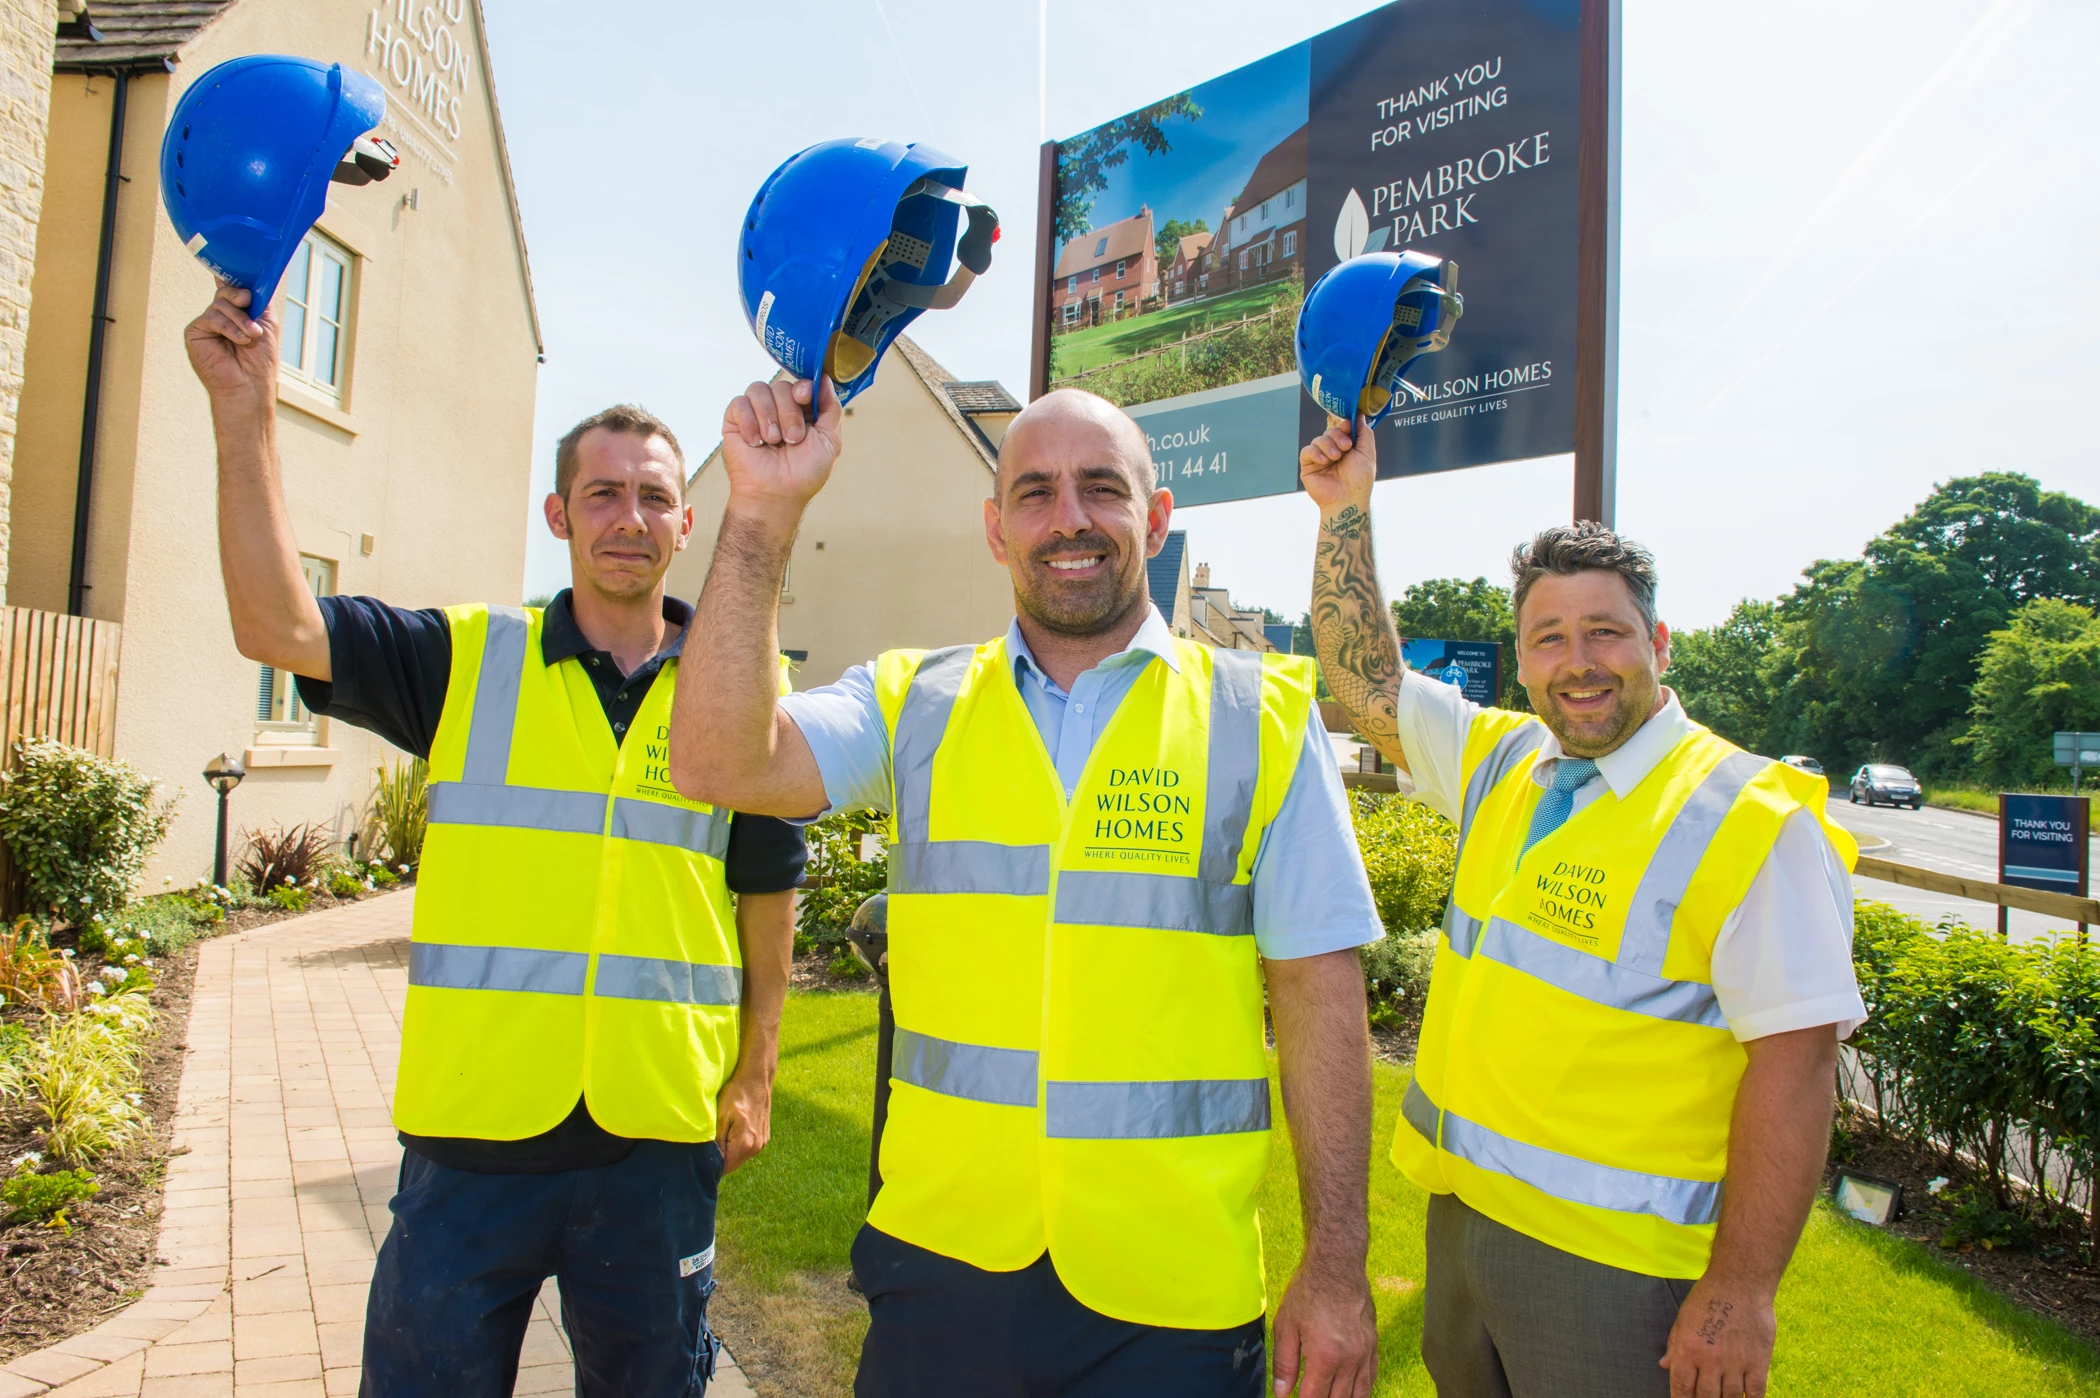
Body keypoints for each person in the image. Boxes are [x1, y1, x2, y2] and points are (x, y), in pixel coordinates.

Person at [669, 376, 1383, 1398]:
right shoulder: (916, 700)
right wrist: (761, 510)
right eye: (1036, 494)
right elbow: (714, 761)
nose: (1071, 519)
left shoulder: (1261, 717)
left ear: (1158, 518)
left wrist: (1336, 1266)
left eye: (1102, 487)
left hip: (1173, 1294)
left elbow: (1324, 997)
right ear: (997, 529)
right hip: (944, 1266)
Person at [185, 282, 806, 1397]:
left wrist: (756, 1065)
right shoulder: (469, 660)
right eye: (602, 495)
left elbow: (766, 878)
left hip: (656, 1134)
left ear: (686, 522)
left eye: (653, 499)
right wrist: (245, 412)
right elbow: (273, 624)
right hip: (474, 1135)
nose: (629, 519)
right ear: (559, 515)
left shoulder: (736, 685)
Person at [1299, 417, 1864, 1398]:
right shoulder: (1504, 761)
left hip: (1620, 1271)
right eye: (1548, 637)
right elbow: (1365, 680)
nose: (1579, 660)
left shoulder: (1750, 819)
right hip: (1465, 1222)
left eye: (1606, 631)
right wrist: (1345, 513)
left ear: (1660, 643)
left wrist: (1741, 1292)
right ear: (1520, 662)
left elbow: (1798, 1061)